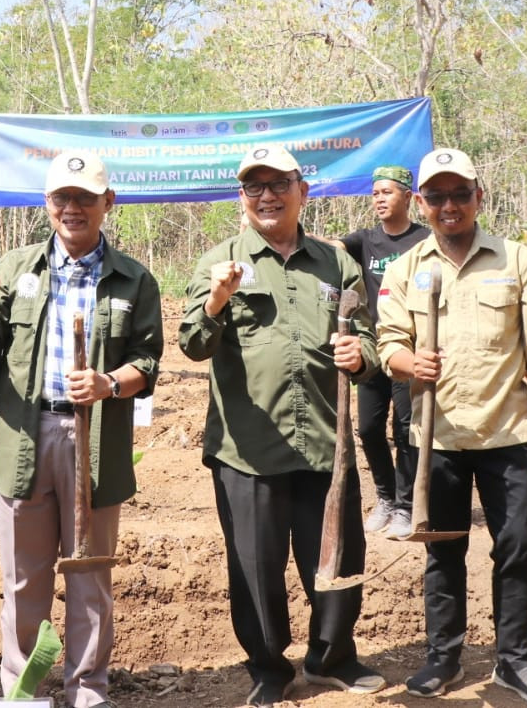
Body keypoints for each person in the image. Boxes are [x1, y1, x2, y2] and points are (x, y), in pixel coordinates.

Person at [178, 145, 381, 706]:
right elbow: (193, 344)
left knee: (339, 557)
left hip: (323, 438)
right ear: (241, 200)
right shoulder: (218, 263)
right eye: (254, 188)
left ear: (302, 192)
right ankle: (269, 667)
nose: (266, 196)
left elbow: (368, 338)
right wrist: (217, 300)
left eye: (278, 185)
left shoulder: (335, 263)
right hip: (248, 449)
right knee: (255, 566)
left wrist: (359, 355)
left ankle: (332, 656)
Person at [0, 149, 163, 708]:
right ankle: (22, 691)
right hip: (26, 438)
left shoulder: (134, 279)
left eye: (84, 198)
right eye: (61, 199)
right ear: (46, 204)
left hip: (95, 441)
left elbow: (148, 362)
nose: (72, 208)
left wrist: (109, 384)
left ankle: (87, 689)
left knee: (90, 574)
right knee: (24, 580)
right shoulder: (12, 270)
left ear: (107, 203)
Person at [376, 148, 527, 706]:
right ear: (422, 203)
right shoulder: (406, 268)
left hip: (505, 433)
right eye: (436, 196)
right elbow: (388, 340)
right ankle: (444, 658)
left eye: (460, 193)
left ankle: (513, 662)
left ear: (478, 197)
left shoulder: (515, 259)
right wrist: (409, 363)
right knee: (443, 550)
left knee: (517, 549)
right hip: (435, 437)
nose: (449, 205)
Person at [339, 165, 427, 540]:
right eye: (375, 193)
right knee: (370, 428)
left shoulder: (425, 240)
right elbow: (327, 246)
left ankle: (408, 506)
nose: (379, 199)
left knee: (407, 429)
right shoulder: (365, 241)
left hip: (411, 348)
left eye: (387, 192)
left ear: (407, 197)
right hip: (374, 350)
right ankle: (387, 497)